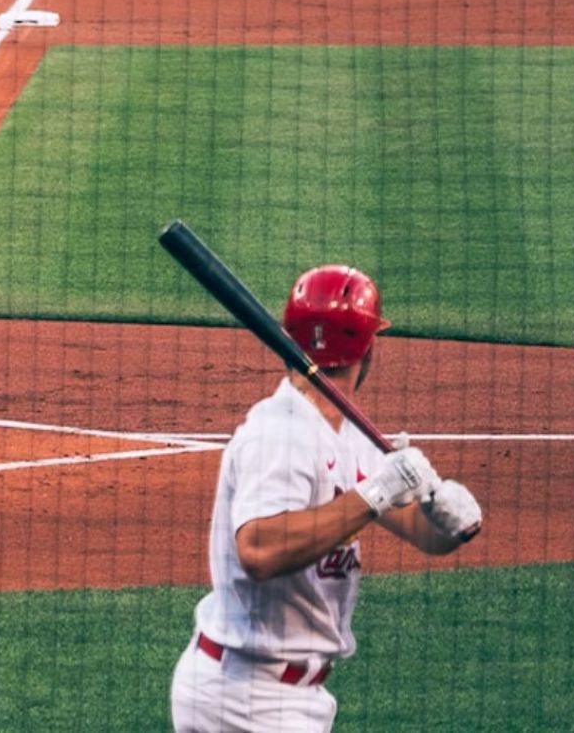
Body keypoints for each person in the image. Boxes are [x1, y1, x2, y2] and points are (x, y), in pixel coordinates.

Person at [173, 266, 483, 730]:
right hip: (249, 700)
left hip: (272, 696)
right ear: (366, 346)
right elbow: (259, 549)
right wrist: (376, 491)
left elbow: (418, 532)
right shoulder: (282, 434)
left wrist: (444, 518)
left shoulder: (344, 429)